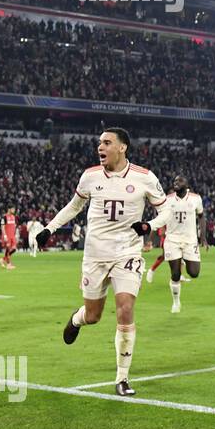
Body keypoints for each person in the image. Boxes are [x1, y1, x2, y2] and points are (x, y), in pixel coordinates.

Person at [37, 128, 168, 397]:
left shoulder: (145, 177)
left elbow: (166, 208)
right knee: (93, 316)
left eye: (107, 143)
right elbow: (73, 207)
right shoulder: (90, 176)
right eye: (99, 143)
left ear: (123, 148)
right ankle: (76, 320)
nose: (100, 147)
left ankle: (122, 378)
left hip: (128, 253)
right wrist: (49, 228)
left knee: (125, 308)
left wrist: (149, 225)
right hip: (95, 254)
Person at [144, 175, 202, 313]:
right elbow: (158, 220)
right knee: (175, 274)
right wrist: (149, 239)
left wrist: (203, 237)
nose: (176, 183)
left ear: (186, 184)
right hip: (172, 240)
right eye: (175, 181)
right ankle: (176, 302)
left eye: (180, 181)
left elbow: (201, 216)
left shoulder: (195, 198)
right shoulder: (167, 200)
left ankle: (182, 260)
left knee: (194, 273)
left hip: (190, 240)